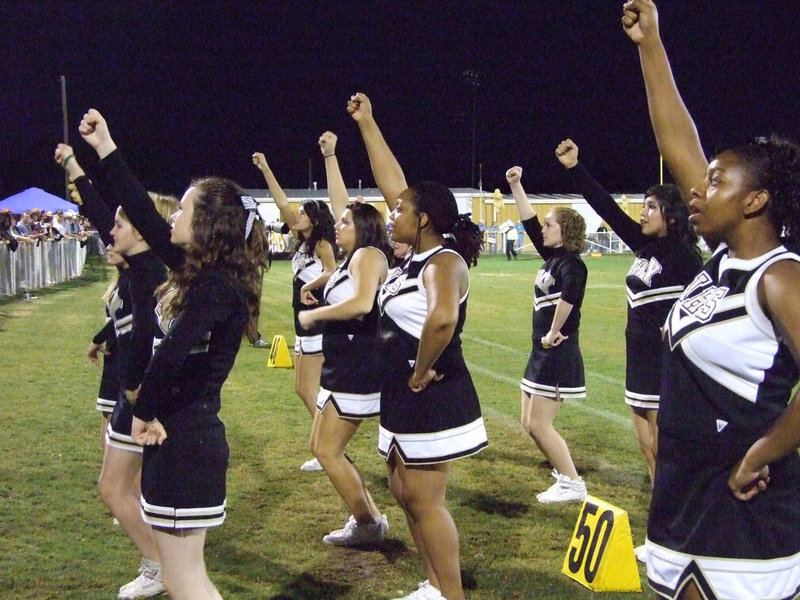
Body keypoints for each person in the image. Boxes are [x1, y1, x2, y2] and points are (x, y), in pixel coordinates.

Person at [622, 2, 800, 599]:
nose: (698, 191)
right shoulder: (722, 263)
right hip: (684, 494)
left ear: (756, 202)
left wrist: (762, 454)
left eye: (719, 182)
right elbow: (677, 139)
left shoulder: (779, 276)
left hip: (743, 504)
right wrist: (650, 46)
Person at [78, 108, 268, 600]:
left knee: (186, 580)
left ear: (205, 223)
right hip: (180, 436)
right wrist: (105, 148)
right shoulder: (197, 272)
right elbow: (142, 210)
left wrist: (143, 413)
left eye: (183, 209)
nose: (173, 217)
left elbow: (172, 356)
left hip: (185, 440)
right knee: (186, 577)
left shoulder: (214, 286)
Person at [349, 92, 487, 600]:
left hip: (431, 391)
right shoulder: (411, 258)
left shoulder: (444, 261)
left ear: (424, 218)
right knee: (404, 493)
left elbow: (443, 318)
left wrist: (419, 370)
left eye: (402, 210)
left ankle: (450, 593)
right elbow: (395, 184)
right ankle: (432, 582)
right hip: (404, 392)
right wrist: (368, 124)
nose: (392, 214)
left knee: (427, 502)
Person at [555, 139, 702, 487]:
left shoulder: (685, 258)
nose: (643, 212)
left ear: (671, 214)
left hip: (664, 360)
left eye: (651, 207)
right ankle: (661, 511)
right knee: (645, 444)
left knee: (663, 444)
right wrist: (576, 168)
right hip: (637, 357)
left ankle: (673, 513)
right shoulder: (642, 244)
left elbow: (701, 305)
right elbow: (606, 208)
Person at [55, 142, 166, 599]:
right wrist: (73, 167)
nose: (109, 230)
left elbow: (144, 337)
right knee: (123, 489)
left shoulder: (148, 270)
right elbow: (102, 213)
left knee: (115, 489)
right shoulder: (136, 266)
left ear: (140, 231)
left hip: (143, 395)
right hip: (135, 391)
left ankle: (160, 566)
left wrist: (136, 391)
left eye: (120, 224)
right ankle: (162, 562)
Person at [298, 201, 392, 546]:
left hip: (356, 366)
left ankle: (368, 523)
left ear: (364, 228)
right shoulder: (354, 258)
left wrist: (316, 315)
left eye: (346, 222)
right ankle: (368, 518)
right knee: (320, 446)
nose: (337, 226)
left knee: (326, 451)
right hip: (341, 365)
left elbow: (363, 303)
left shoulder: (368, 255)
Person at [252, 133, 345, 472]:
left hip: (315, 316)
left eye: (304, 213)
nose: (297, 216)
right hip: (301, 315)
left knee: (310, 390)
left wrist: (312, 286)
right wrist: (265, 169)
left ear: (315, 219)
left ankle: (329, 447)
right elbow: (280, 204)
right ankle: (325, 445)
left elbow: (333, 271)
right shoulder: (302, 239)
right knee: (302, 388)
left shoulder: (321, 243)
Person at [506, 165, 589, 504]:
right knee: (529, 422)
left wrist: (554, 331)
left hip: (557, 353)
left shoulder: (573, 264)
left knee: (540, 424)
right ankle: (565, 477)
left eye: (549, 224)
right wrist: (516, 185)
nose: (543, 228)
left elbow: (571, 299)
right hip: (540, 352)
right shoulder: (553, 258)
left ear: (565, 230)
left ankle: (573, 483)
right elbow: (528, 220)